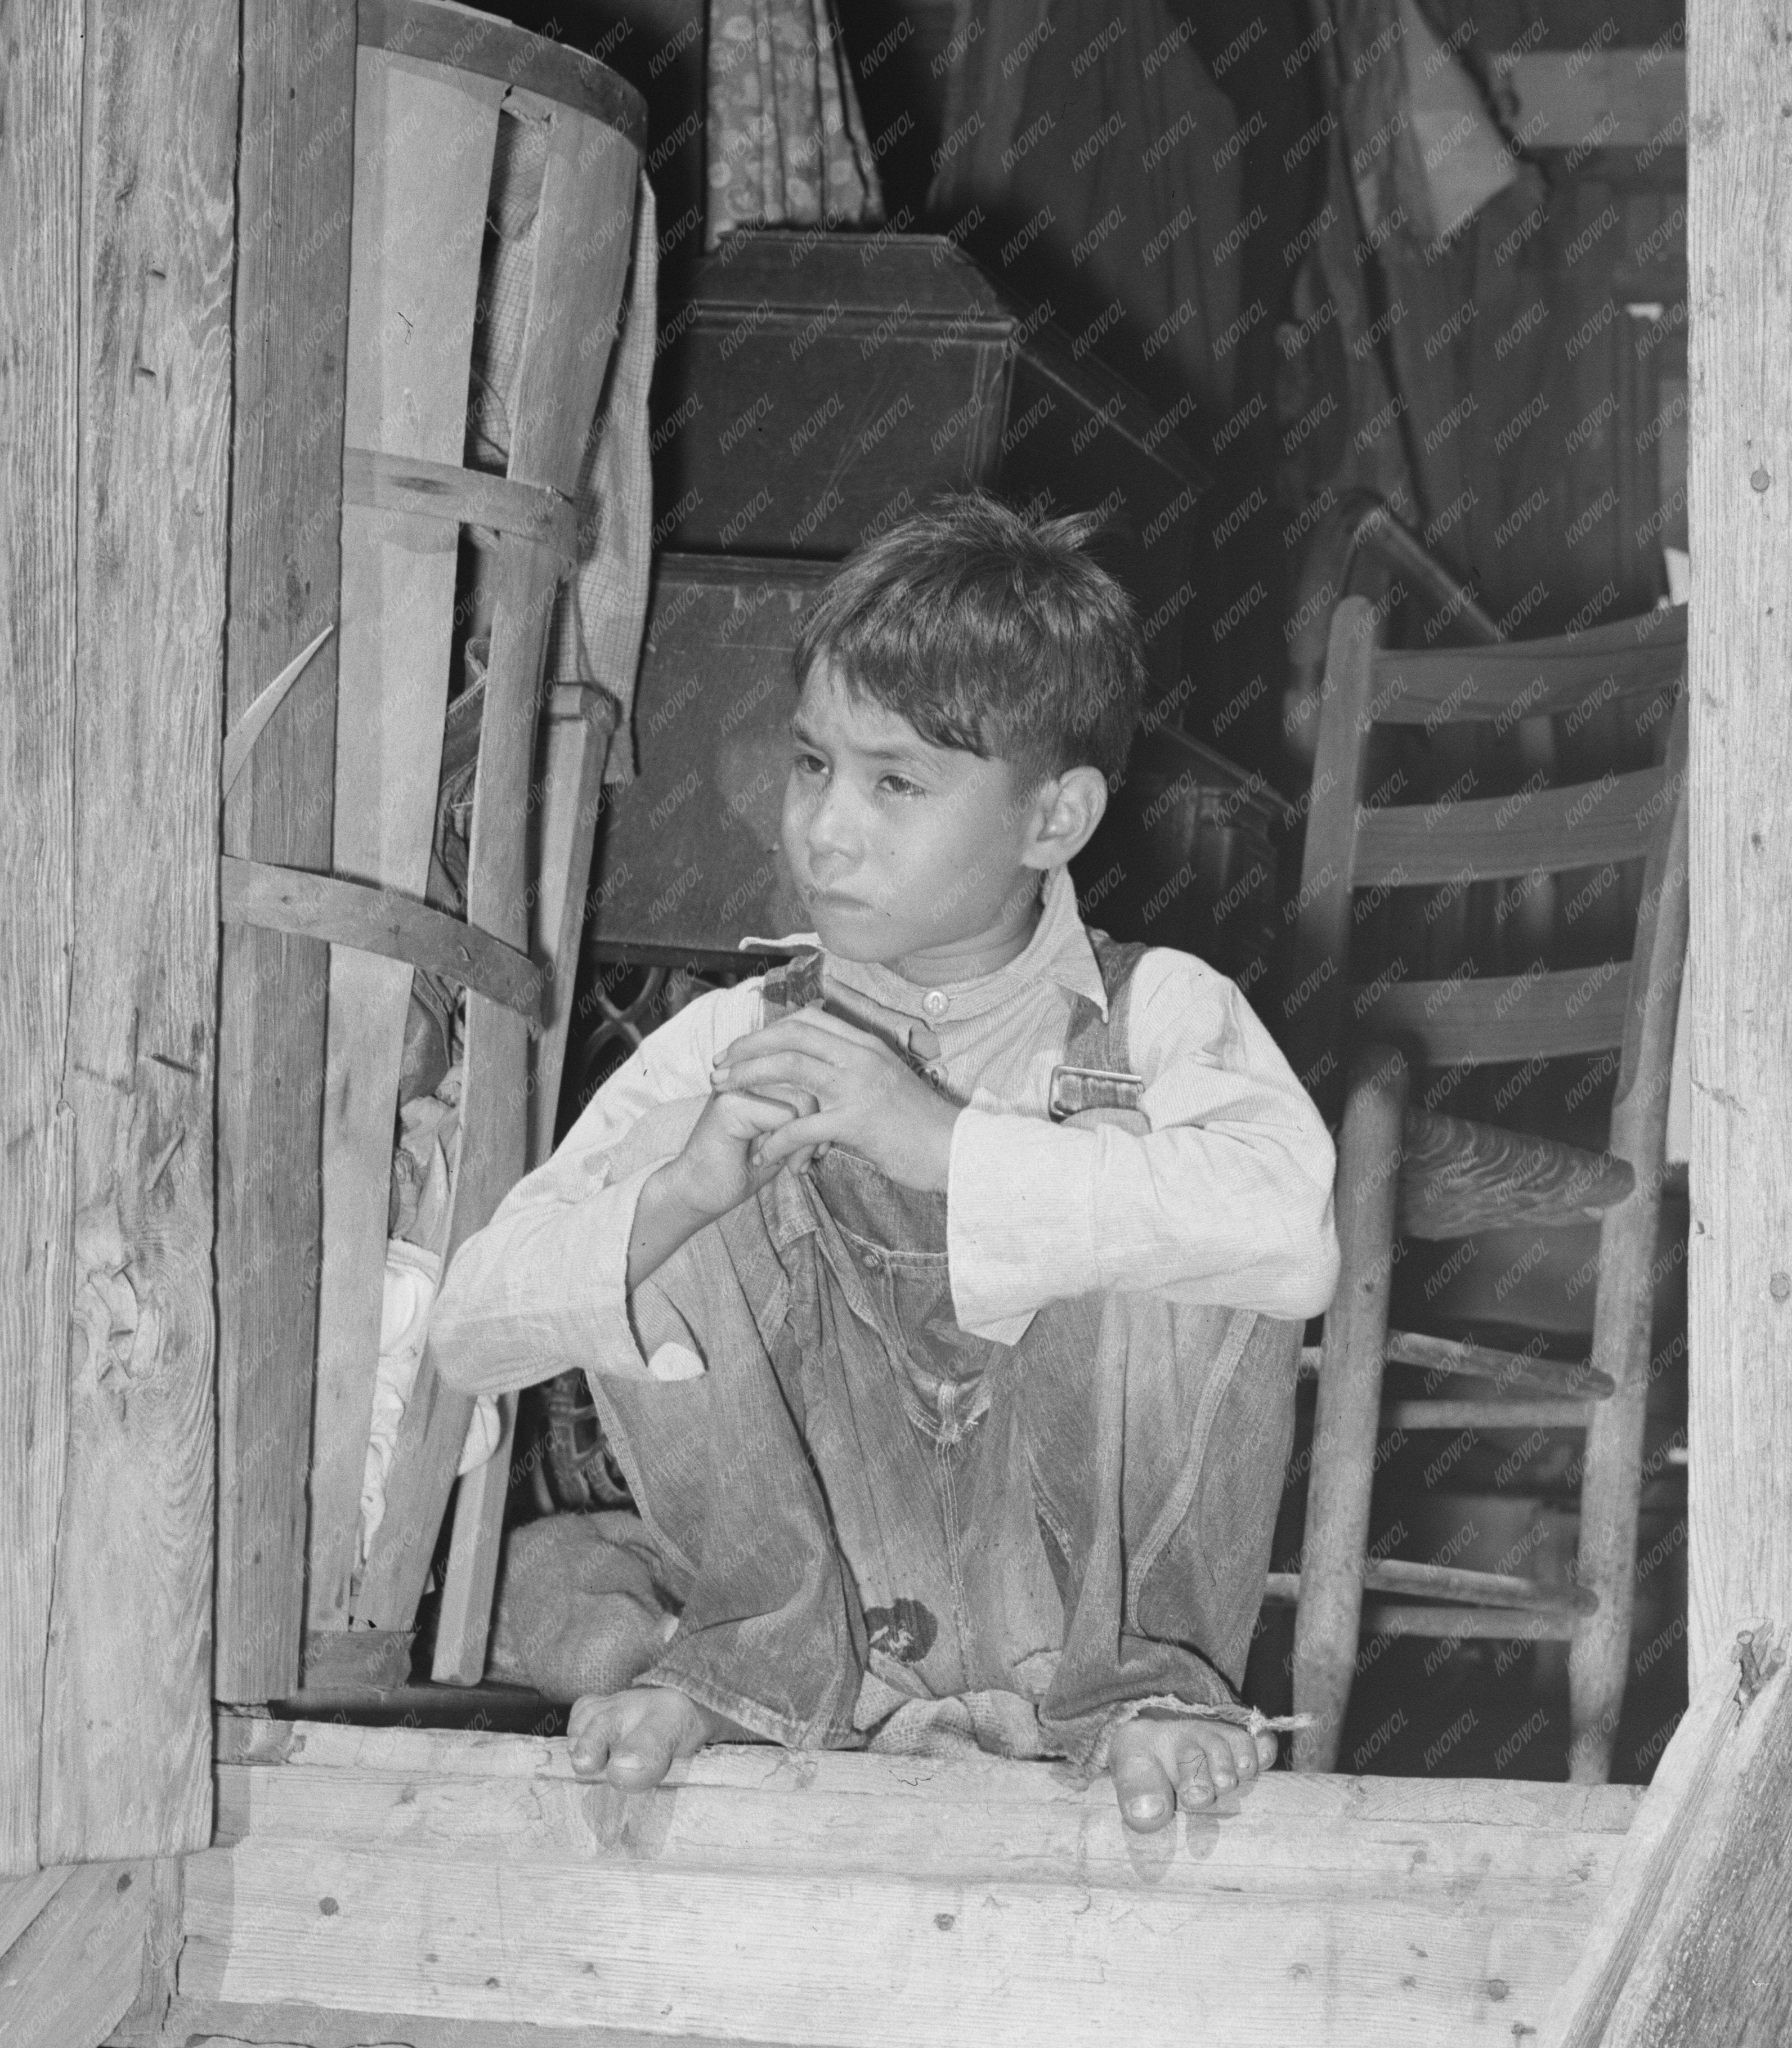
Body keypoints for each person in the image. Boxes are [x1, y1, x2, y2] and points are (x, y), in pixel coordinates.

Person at [429, 493, 1339, 1832]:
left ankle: (1144, 1691)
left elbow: (1294, 1234)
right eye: (811, 766)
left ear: (1053, 819)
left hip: (1083, 1630)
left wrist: (946, 1145)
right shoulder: (737, 1035)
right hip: (832, 1636)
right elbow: (467, 1331)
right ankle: (749, 1665)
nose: (824, 828)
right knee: (681, 1182)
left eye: (895, 781)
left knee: (1180, 1200)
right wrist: (679, 1192)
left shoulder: (1161, 1014)